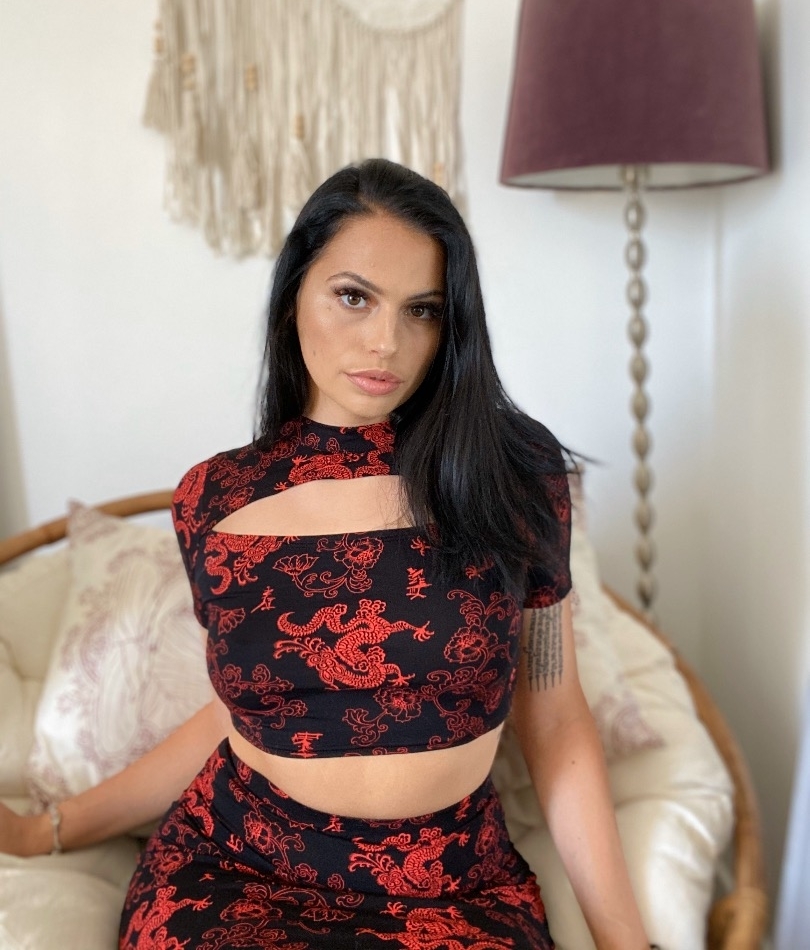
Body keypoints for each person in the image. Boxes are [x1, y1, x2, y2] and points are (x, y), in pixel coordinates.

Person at [0, 159, 654, 949]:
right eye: (353, 296)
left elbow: (553, 713)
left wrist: (626, 940)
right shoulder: (215, 499)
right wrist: (52, 828)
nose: (386, 342)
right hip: (239, 873)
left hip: (451, 887)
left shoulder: (513, 474)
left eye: (422, 310)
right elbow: (242, 714)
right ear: (293, 298)